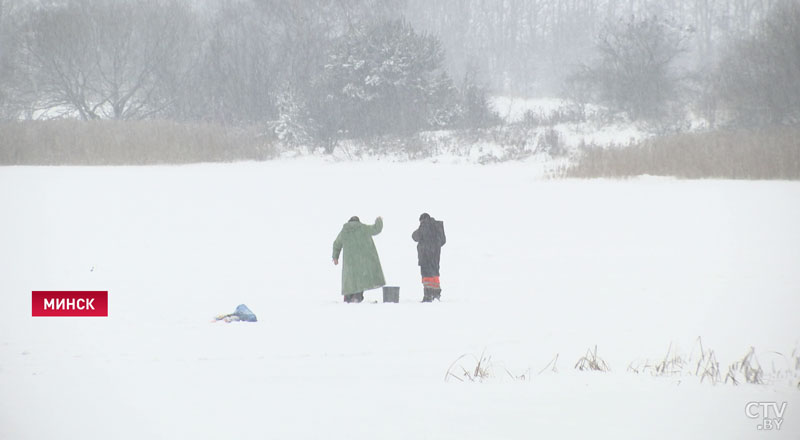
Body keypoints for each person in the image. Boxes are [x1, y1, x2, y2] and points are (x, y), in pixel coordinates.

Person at [332, 216, 386, 303]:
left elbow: (336, 244)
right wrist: (379, 220)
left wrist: (335, 257)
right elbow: (376, 229)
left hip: (349, 263)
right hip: (362, 261)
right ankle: (357, 297)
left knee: (350, 281)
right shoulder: (363, 228)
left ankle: (348, 298)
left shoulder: (344, 231)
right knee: (360, 280)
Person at [412, 213, 446, 302]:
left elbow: (415, 236)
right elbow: (443, 241)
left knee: (426, 275)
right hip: (435, 255)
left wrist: (427, 246)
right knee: (435, 274)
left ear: (422, 219)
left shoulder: (424, 225)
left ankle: (428, 295)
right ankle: (436, 294)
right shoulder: (437, 226)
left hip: (425, 255)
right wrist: (435, 246)